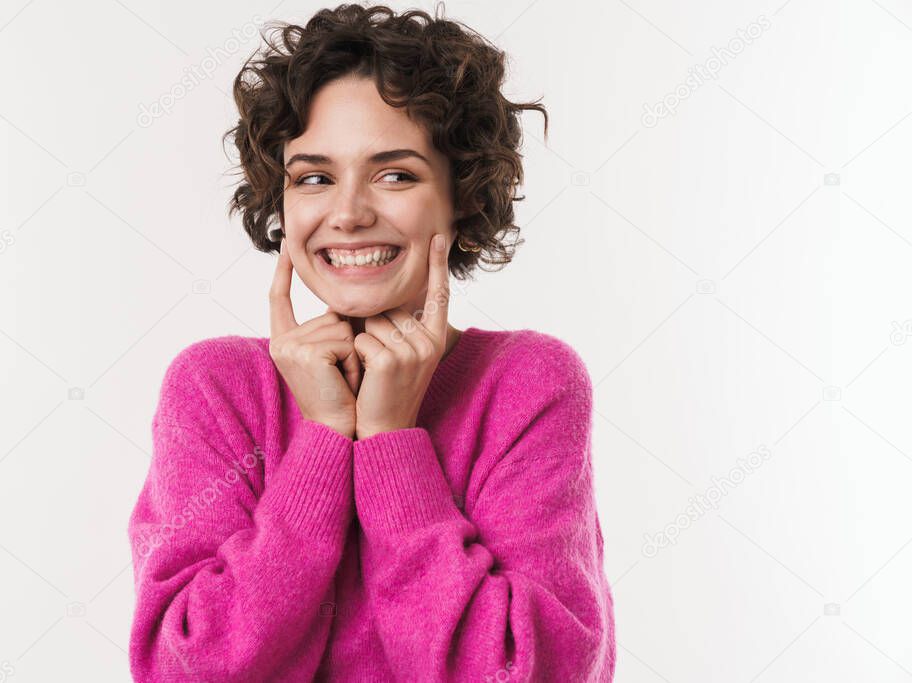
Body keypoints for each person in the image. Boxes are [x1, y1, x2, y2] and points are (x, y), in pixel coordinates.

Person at [127, 4, 616, 681]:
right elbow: (184, 669)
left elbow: (523, 672)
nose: (349, 213)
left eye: (395, 174)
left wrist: (390, 442)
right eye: (314, 177)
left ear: (462, 199)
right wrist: (324, 437)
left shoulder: (529, 381)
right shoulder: (215, 386)